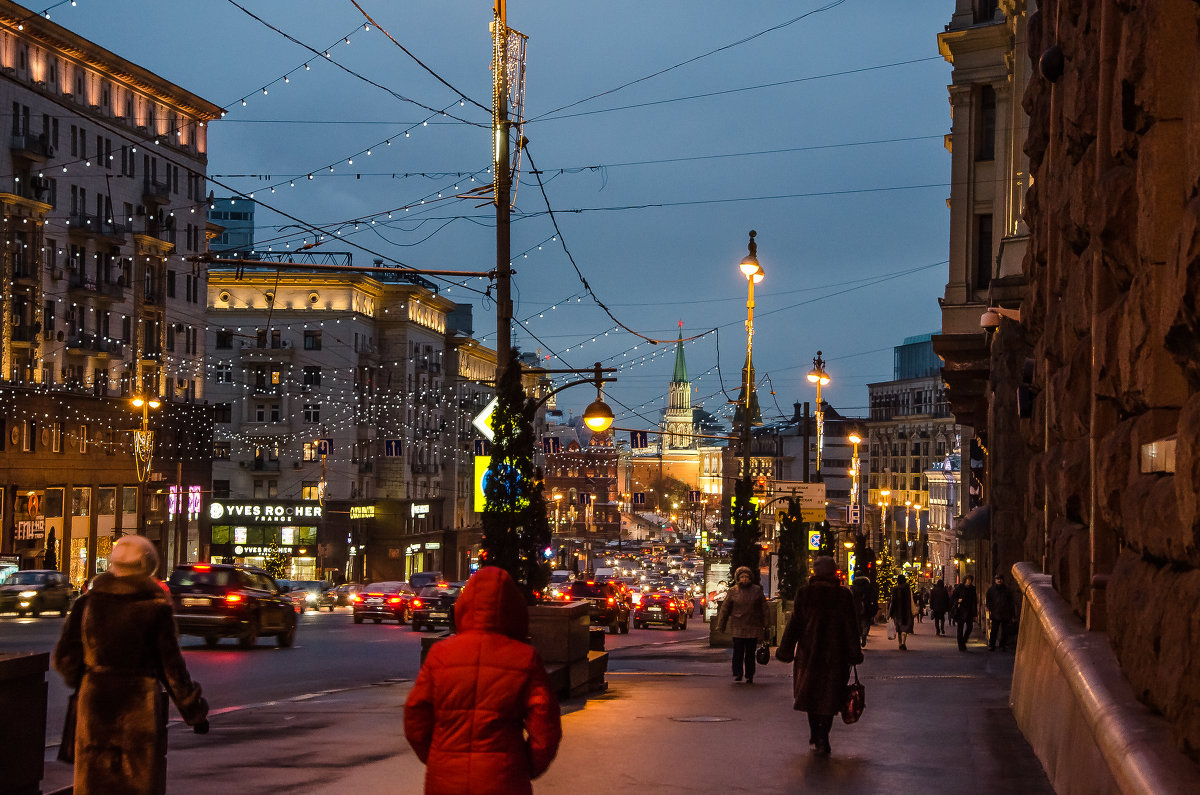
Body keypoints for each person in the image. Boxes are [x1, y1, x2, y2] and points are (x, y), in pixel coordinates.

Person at [53, 535, 209, 795]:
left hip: (94, 705)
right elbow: (172, 670)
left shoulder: (87, 604)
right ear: (148, 567)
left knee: (94, 782)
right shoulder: (155, 608)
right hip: (138, 706)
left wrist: (88, 679)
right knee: (137, 782)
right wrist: (194, 713)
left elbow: (65, 658)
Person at [405, 566, 562, 795]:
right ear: (514, 610)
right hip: (504, 779)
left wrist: (438, 756)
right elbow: (545, 730)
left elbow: (415, 716)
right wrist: (523, 767)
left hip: (446, 780)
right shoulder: (525, 659)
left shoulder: (440, 655)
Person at [776, 556, 863, 756]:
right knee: (830, 698)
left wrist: (786, 650)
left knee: (810, 695)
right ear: (834, 572)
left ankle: (815, 733)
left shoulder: (805, 594)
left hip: (809, 654)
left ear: (815, 572)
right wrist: (854, 653)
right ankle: (824, 736)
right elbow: (851, 627)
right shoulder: (843, 595)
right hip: (835, 656)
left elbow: (795, 625)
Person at [716, 565, 770, 684]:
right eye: (742, 576)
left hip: (753, 626)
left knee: (750, 653)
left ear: (750, 578)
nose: (744, 579)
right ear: (738, 578)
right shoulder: (733, 591)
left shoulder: (757, 590)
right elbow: (725, 609)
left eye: (746, 576)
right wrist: (721, 625)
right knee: (738, 652)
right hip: (738, 626)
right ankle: (738, 673)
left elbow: (764, 608)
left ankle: (749, 675)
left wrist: (766, 624)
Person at [985, 573, 1016, 651]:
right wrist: (991, 609)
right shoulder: (991, 590)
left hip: (1005, 613)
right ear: (995, 580)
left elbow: (1011, 602)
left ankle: (1002, 645)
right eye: (997, 579)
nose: (999, 580)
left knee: (1005, 631)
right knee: (994, 630)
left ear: (1002, 580)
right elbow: (988, 601)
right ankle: (992, 645)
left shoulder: (1007, 590)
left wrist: (1012, 615)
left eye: (1000, 579)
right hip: (996, 613)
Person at [887, 574, 916, 650]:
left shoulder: (895, 589)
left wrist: (891, 612)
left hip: (897, 611)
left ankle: (900, 644)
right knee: (905, 627)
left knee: (899, 627)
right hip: (906, 610)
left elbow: (893, 601)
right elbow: (912, 600)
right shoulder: (908, 589)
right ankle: (903, 642)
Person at [951, 575, 979, 651]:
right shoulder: (959, 587)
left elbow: (974, 602)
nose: (969, 581)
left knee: (970, 627)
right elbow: (953, 597)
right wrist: (957, 601)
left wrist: (975, 614)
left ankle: (964, 640)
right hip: (960, 611)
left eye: (970, 580)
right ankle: (961, 645)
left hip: (969, 611)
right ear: (965, 580)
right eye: (968, 580)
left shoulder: (972, 589)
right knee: (960, 629)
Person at [849, 573, 876, 647]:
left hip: (856, 607)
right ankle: (864, 634)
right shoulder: (869, 587)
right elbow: (873, 597)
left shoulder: (853, 587)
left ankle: (859, 636)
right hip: (867, 606)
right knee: (866, 622)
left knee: (857, 623)